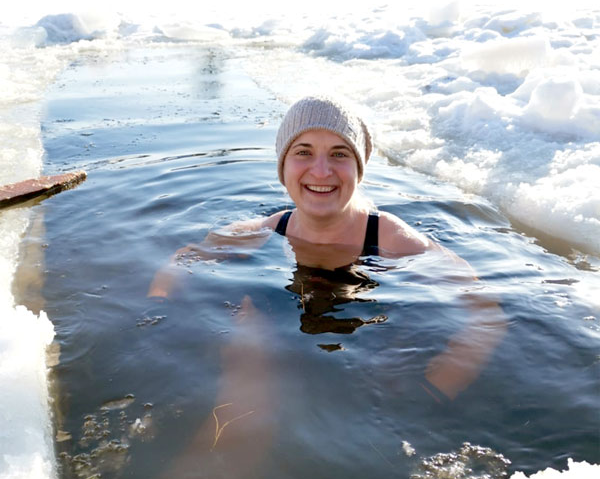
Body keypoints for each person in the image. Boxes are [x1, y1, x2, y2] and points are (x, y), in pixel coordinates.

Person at [148, 95, 507, 404]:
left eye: (339, 154)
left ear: (358, 169)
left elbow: (487, 313)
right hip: (293, 348)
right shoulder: (271, 227)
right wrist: (157, 314)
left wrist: (436, 388)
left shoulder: (391, 238)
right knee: (248, 327)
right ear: (283, 166)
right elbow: (185, 259)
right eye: (304, 152)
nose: (321, 171)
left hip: (374, 361)